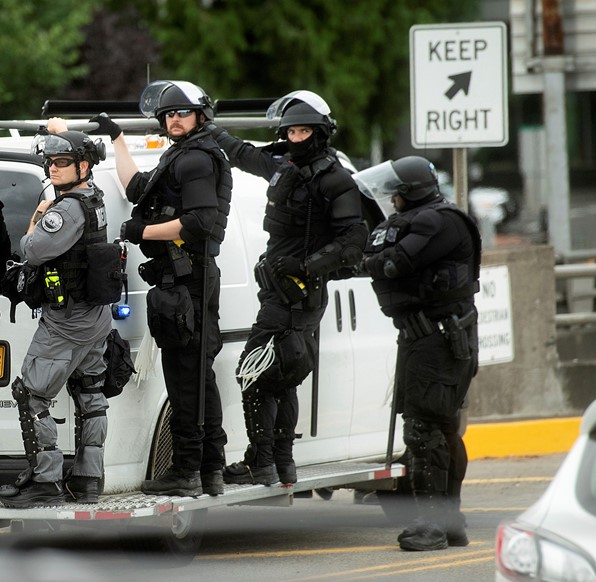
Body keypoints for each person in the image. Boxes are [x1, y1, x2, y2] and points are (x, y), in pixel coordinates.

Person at [206, 90, 367, 486]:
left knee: (254, 372)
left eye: (304, 131)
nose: (296, 137)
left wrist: (306, 266)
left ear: (320, 133)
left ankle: (263, 462)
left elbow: (353, 240)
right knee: (282, 374)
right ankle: (280, 463)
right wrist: (210, 130)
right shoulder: (283, 166)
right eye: (291, 130)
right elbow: (242, 153)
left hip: (300, 294)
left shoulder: (335, 179)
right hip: (276, 291)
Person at [93, 80, 230, 497]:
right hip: (185, 279)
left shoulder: (197, 160)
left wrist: (143, 230)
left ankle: (187, 471)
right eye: (168, 114)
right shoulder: (181, 155)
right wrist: (117, 138)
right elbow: (136, 187)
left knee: (186, 378)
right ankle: (210, 469)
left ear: (200, 116)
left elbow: (201, 223)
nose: (173, 118)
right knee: (196, 375)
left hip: (188, 279)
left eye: (181, 113)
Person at [355, 156, 480, 551]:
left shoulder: (437, 221)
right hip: (426, 337)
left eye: (397, 196)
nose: (392, 203)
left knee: (426, 429)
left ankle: (432, 524)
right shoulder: (426, 219)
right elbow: (378, 258)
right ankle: (450, 522)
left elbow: (394, 262)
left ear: (411, 193)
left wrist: (372, 260)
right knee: (439, 426)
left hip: (439, 339)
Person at [0, 123, 113, 508]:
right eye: (50, 161)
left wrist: (38, 214)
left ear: (84, 165)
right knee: (90, 393)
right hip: (95, 317)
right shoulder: (93, 197)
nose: (53, 168)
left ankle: (45, 480)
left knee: (30, 394)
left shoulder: (65, 210)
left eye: (63, 162)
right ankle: (87, 479)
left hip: (67, 322)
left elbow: (30, 250)